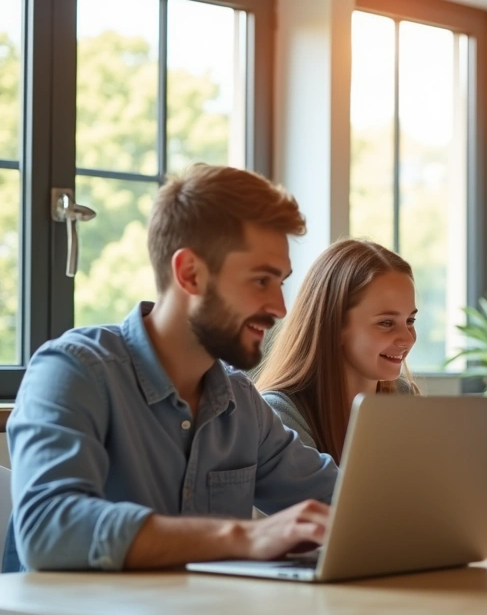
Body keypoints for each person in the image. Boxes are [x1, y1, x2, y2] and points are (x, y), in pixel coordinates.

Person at [3, 164, 337, 573]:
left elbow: (340, 499)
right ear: (190, 274)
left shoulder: (242, 404)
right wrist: (243, 536)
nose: (280, 308)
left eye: (281, 282)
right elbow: (49, 528)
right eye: (261, 281)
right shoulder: (74, 370)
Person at [257, 238, 420, 460]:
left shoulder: (403, 398)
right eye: (386, 323)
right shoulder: (279, 413)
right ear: (334, 325)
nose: (407, 339)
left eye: (410, 320)